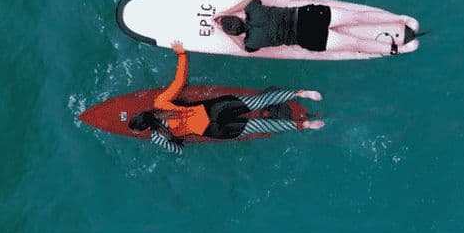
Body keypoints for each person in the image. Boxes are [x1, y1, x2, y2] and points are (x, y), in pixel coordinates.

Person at [128, 41, 324, 154]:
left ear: (146, 128)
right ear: (143, 112)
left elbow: (179, 151)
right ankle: (301, 93)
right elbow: (179, 82)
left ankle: (305, 126)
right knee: (258, 102)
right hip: (214, 109)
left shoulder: (158, 137)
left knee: (258, 126)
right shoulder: (160, 104)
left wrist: (160, 138)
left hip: (214, 129)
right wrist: (181, 54)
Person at [214, 0, 420, 57]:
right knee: (357, 17)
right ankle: (401, 19)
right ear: (240, 18)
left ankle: (398, 48)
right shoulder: (254, 10)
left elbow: (244, 49)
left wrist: (227, 33)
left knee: (356, 43)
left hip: (310, 39)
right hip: (309, 17)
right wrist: (227, 14)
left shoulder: (251, 42)